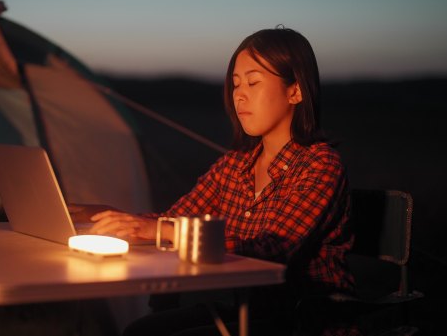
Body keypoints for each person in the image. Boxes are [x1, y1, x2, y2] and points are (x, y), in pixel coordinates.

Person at [90, 27, 357, 335]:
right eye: (235, 84)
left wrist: (161, 230)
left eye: (254, 82)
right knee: (142, 331)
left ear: (295, 91)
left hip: (309, 320)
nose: (239, 94)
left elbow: (272, 249)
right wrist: (112, 221)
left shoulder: (320, 165)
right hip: (250, 313)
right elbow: (176, 220)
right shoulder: (236, 164)